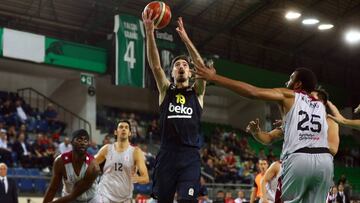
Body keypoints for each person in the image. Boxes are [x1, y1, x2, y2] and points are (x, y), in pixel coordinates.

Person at [194, 66, 332, 202]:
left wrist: (214, 78)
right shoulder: (321, 108)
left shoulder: (290, 95)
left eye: (290, 79)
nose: (286, 82)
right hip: (324, 163)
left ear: (298, 84)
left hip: (299, 160)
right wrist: (256, 132)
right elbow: (270, 138)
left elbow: (253, 92)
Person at [143, 9, 206, 202]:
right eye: (177, 65)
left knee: (187, 200)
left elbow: (202, 67)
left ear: (190, 73)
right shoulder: (165, 90)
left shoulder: (197, 92)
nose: (181, 67)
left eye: (185, 65)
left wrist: (186, 40)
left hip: (190, 155)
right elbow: (155, 66)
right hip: (167, 154)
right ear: (172, 73)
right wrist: (149, 33)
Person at [246, 88, 340, 156]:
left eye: (311, 97)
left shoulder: (330, 121)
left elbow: (332, 149)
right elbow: (269, 138)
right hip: (294, 168)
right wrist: (256, 133)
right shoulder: (297, 119)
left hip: (317, 169)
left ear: (322, 102)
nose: (307, 100)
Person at [94, 120, 149, 203]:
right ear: (116, 132)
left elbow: (146, 178)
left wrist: (137, 178)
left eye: (126, 128)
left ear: (130, 133)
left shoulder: (136, 152)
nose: (124, 129)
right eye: (121, 127)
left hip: (125, 197)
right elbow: (91, 164)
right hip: (104, 193)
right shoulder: (107, 149)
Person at [43, 129, 99, 203]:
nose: (82, 143)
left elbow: (73, 195)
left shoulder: (93, 167)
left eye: (85, 141)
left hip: (90, 199)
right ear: (72, 142)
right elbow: (53, 189)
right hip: (68, 198)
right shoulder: (60, 162)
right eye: (79, 140)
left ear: (88, 144)